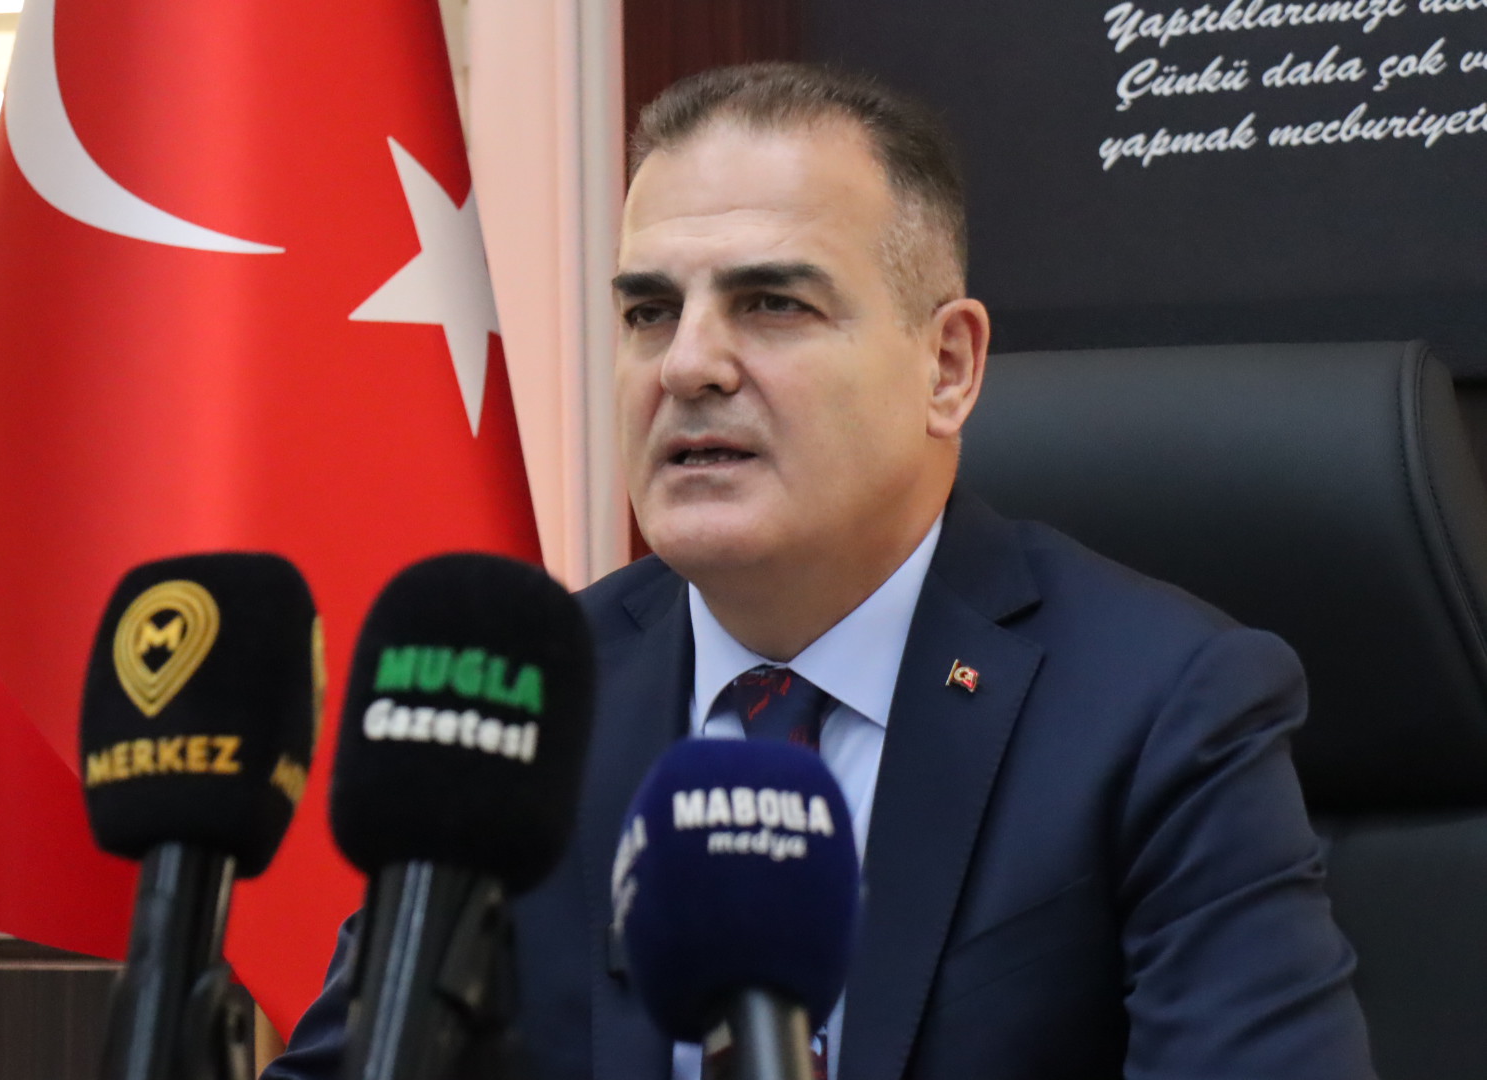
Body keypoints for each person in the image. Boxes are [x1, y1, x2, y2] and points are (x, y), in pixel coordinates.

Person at [267, 62, 1376, 1080]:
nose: (688, 365)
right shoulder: (533, 710)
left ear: (948, 367)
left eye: (771, 304)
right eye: (650, 311)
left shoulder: (1165, 710)